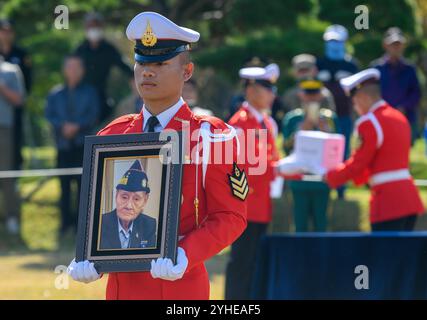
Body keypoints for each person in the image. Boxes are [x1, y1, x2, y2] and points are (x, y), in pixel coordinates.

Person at [68, 11, 247, 300]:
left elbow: (230, 216)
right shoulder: (112, 136)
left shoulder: (211, 136)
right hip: (122, 291)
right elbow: (101, 218)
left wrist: (186, 253)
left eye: (161, 63)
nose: (148, 72)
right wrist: (91, 258)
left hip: (180, 287)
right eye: (142, 62)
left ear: (187, 72)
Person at [324, 68, 424, 231]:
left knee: (384, 255)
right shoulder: (399, 116)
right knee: (404, 255)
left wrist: (330, 176)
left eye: (354, 101)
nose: (354, 106)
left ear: (362, 97)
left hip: (387, 203)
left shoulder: (368, 122)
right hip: (409, 199)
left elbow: (358, 163)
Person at [226, 64, 279, 299]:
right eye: (267, 87)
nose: (272, 93)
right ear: (250, 90)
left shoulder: (266, 123)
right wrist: (278, 168)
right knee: (242, 263)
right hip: (244, 205)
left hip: (261, 205)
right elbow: (243, 167)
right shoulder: (239, 123)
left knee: (256, 264)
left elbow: (271, 158)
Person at [45, 55, 100, 234]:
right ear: (64, 69)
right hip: (63, 146)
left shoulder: (91, 92)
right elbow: (50, 115)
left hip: (83, 146)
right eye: (70, 67)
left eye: (77, 67)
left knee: (83, 186)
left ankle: (81, 226)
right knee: (64, 186)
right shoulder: (55, 94)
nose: (73, 71)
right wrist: (62, 126)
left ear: (82, 70)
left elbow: (94, 114)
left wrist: (77, 126)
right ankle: (64, 224)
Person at [282, 78, 339, 232]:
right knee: (299, 225)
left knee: (321, 224)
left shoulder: (330, 118)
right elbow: (286, 149)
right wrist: (300, 131)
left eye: (315, 94)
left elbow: (337, 150)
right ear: (301, 95)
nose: (311, 98)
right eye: (308, 93)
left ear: (321, 95)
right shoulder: (292, 118)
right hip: (299, 180)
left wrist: (326, 132)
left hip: (322, 180)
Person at [317, 24, 358, 199]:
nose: (334, 44)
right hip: (321, 117)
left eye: (337, 41)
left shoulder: (351, 64)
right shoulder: (319, 63)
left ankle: (341, 190)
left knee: (343, 151)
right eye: (330, 41)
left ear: (344, 42)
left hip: (343, 116)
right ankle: (321, 187)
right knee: (321, 151)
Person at [75, 12, 133, 123]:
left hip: (102, 99)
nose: (94, 29)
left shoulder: (109, 50)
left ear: (102, 27)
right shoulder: (80, 50)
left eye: (96, 25)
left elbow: (125, 67)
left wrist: (135, 77)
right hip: (81, 100)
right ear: (85, 28)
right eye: (90, 26)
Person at [370, 27, 421, 143]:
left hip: (405, 118)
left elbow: (416, 93)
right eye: (393, 44)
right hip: (381, 118)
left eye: (398, 44)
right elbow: (371, 93)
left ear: (403, 46)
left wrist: (403, 106)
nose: (396, 47)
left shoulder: (410, 69)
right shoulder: (376, 68)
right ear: (385, 45)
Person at [100, 160, 156, 250]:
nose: (129, 206)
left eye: (136, 199)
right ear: (116, 195)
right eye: (124, 197)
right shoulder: (101, 223)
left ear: (145, 201)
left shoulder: (149, 225)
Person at [0, 19, 32, 170]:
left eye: (9, 31)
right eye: (3, 31)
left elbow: (26, 84)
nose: (6, 35)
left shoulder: (21, 54)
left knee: (13, 152)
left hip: (14, 111)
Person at [0, 56, 25, 234]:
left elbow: (19, 99)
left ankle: (12, 218)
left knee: (7, 174)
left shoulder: (10, 70)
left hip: (4, 129)